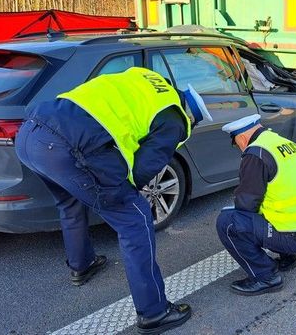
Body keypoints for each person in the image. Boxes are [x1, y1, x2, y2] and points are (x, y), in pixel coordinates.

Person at [15, 67, 212, 334]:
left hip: (30, 133)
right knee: (136, 218)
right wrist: (124, 195)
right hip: (67, 147)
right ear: (190, 115)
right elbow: (144, 167)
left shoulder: (148, 79)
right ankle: (154, 313)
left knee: (69, 203)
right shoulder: (174, 118)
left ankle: (81, 266)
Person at [216, 114, 296, 296]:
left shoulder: (255, 153)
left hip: (292, 236)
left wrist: (235, 210)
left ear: (241, 138)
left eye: (236, 143)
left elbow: (246, 204)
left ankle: (265, 277)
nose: (239, 148)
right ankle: (291, 257)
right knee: (267, 208)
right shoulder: (284, 143)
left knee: (228, 222)